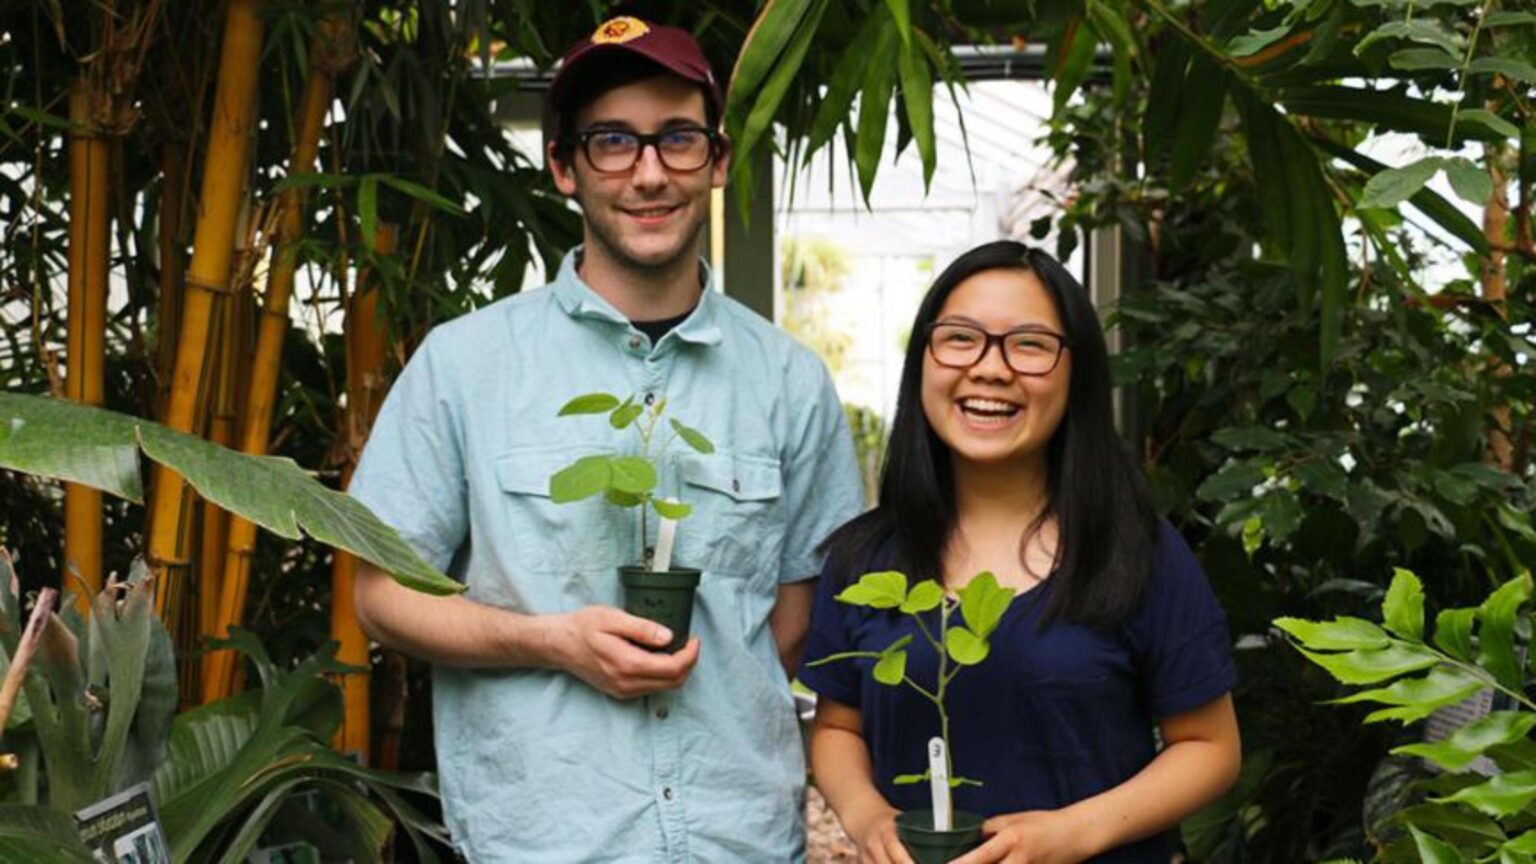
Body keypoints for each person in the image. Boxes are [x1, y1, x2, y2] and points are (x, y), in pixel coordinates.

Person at [347, 16, 863, 862]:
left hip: (737, 838)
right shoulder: (466, 366)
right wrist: (551, 642)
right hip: (541, 840)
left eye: (679, 139)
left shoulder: (788, 380)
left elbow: (798, 612)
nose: (650, 173)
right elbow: (381, 598)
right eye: (614, 142)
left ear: (719, 160)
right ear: (564, 167)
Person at [799, 241, 1241, 864]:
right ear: (923, 357)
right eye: (960, 338)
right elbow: (838, 727)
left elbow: (1211, 748)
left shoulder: (1134, 551)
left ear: (1076, 372)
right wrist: (869, 819)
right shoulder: (863, 558)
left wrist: (1074, 832)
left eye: (1029, 344)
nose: (990, 367)